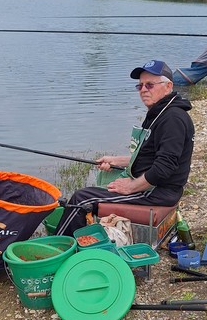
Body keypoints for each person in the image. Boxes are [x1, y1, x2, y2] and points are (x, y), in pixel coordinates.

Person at [55, 60, 194, 236]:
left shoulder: (173, 119)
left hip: (158, 192)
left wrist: (131, 187)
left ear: (168, 86)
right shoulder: (160, 112)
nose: (143, 90)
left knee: (82, 199)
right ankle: (85, 240)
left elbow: (164, 167)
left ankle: (59, 247)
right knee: (95, 191)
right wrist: (116, 161)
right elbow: (150, 156)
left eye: (150, 85)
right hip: (152, 187)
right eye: (140, 86)